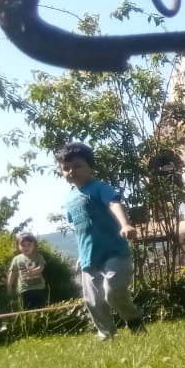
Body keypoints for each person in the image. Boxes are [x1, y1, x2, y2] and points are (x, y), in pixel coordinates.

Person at [59, 142, 146, 340]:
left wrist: (125, 224)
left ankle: (134, 320)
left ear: (90, 167)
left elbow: (114, 203)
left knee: (112, 292)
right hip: (90, 258)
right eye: (66, 168)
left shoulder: (99, 187)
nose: (72, 171)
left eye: (78, 166)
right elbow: (81, 229)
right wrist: (81, 255)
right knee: (93, 301)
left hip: (114, 253)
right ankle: (106, 335)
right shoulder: (70, 199)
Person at [5, 231, 48, 311]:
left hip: (38, 288)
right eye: (23, 245)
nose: (26, 247)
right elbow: (12, 273)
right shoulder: (16, 259)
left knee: (41, 309)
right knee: (26, 309)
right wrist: (9, 286)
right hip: (24, 289)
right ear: (18, 246)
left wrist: (33, 271)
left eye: (29, 245)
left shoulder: (38, 256)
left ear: (34, 245)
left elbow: (41, 267)